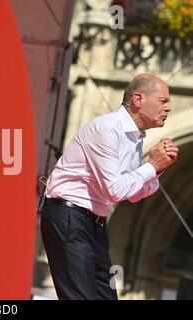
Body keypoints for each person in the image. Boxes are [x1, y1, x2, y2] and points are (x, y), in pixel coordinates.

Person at [40, 73, 179, 300]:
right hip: (69, 217)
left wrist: (157, 169)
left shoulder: (135, 137)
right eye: (163, 101)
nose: (168, 108)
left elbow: (133, 194)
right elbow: (114, 190)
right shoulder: (107, 129)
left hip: (93, 224)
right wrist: (152, 166)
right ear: (138, 99)